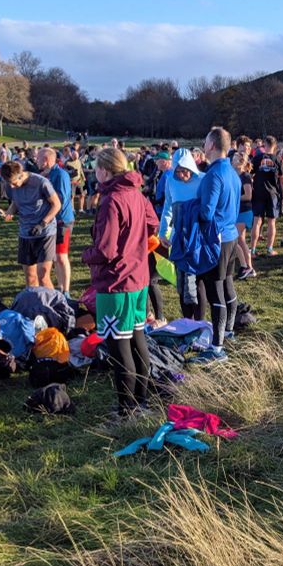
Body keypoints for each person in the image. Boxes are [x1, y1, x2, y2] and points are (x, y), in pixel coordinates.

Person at [82, 148, 158, 419]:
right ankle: (142, 402)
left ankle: (127, 410)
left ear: (104, 170)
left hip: (116, 283)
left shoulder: (111, 200)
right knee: (138, 341)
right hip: (138, 279)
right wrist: (136, 243)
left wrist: (86, 256)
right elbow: (153, 222)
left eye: (96, 169)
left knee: (119, 345)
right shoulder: (136, 192)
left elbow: (105, 251)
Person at [197, 127, 242, 362]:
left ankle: (216, 347)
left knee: (216, 292)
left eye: (205, 141)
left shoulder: (213, 175)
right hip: (231, 235)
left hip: (217, 238)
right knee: (227, 283)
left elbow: (206, 212)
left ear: (212, 145)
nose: (203, 146)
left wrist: (190, 212)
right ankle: (229, 330)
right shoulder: (232, 172)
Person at [159, 148, 208, 320]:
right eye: (178, 171)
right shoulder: (171, 181)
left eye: (184, 171)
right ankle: (187, 323)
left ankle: (199, 323)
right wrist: (163, 231)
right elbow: (168, 207)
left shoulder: (203, 180)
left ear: (191, 168)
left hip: (198, 238)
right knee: (181, 282)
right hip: (179, 237)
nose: (181, 175)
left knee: (197, 281)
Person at [0, 160, 62, 288]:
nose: (11, 187)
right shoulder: (9, 185)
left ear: (21, 175)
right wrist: (9, 212)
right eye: (9, 183)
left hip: (45, 232)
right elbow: (16, 202)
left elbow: (56, 204)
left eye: (14, 183)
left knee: (43, 276)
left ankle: (52, 305)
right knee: (30, 277)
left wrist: (42, 224)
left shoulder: (41, 183)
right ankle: (35, 305)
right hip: (25, 233)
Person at [37, 147, 75, 297]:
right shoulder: (47, 174)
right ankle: (59, 287)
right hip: (52, 221)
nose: (36, 161)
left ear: (46, 160)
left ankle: (65, 291)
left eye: (39, 158)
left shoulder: (60, 174)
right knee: (54, 257)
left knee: (61, 256)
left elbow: (62, 198)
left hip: (62, 221)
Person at [250, 136, 283, 256]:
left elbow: (249, 175)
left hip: (259, 192)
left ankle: (253, 250)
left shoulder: (257, 158)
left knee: (257, 221)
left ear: (264, 145)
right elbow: (282, 181)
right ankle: (269, 249)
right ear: (275, 146)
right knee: (272, 222)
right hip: (273, 194)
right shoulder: (278, 160)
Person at [231, 151, 255, 279]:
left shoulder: (245, 176)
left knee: (236, 238)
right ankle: (249, 267)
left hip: (245, 211)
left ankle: (245, 266)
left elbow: (248, 195)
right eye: (234, 157)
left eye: (237, 158)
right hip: (237, 211)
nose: (234, 160)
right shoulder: (234, 175)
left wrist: (233, 198)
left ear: (243, 162)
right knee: (241, 240)